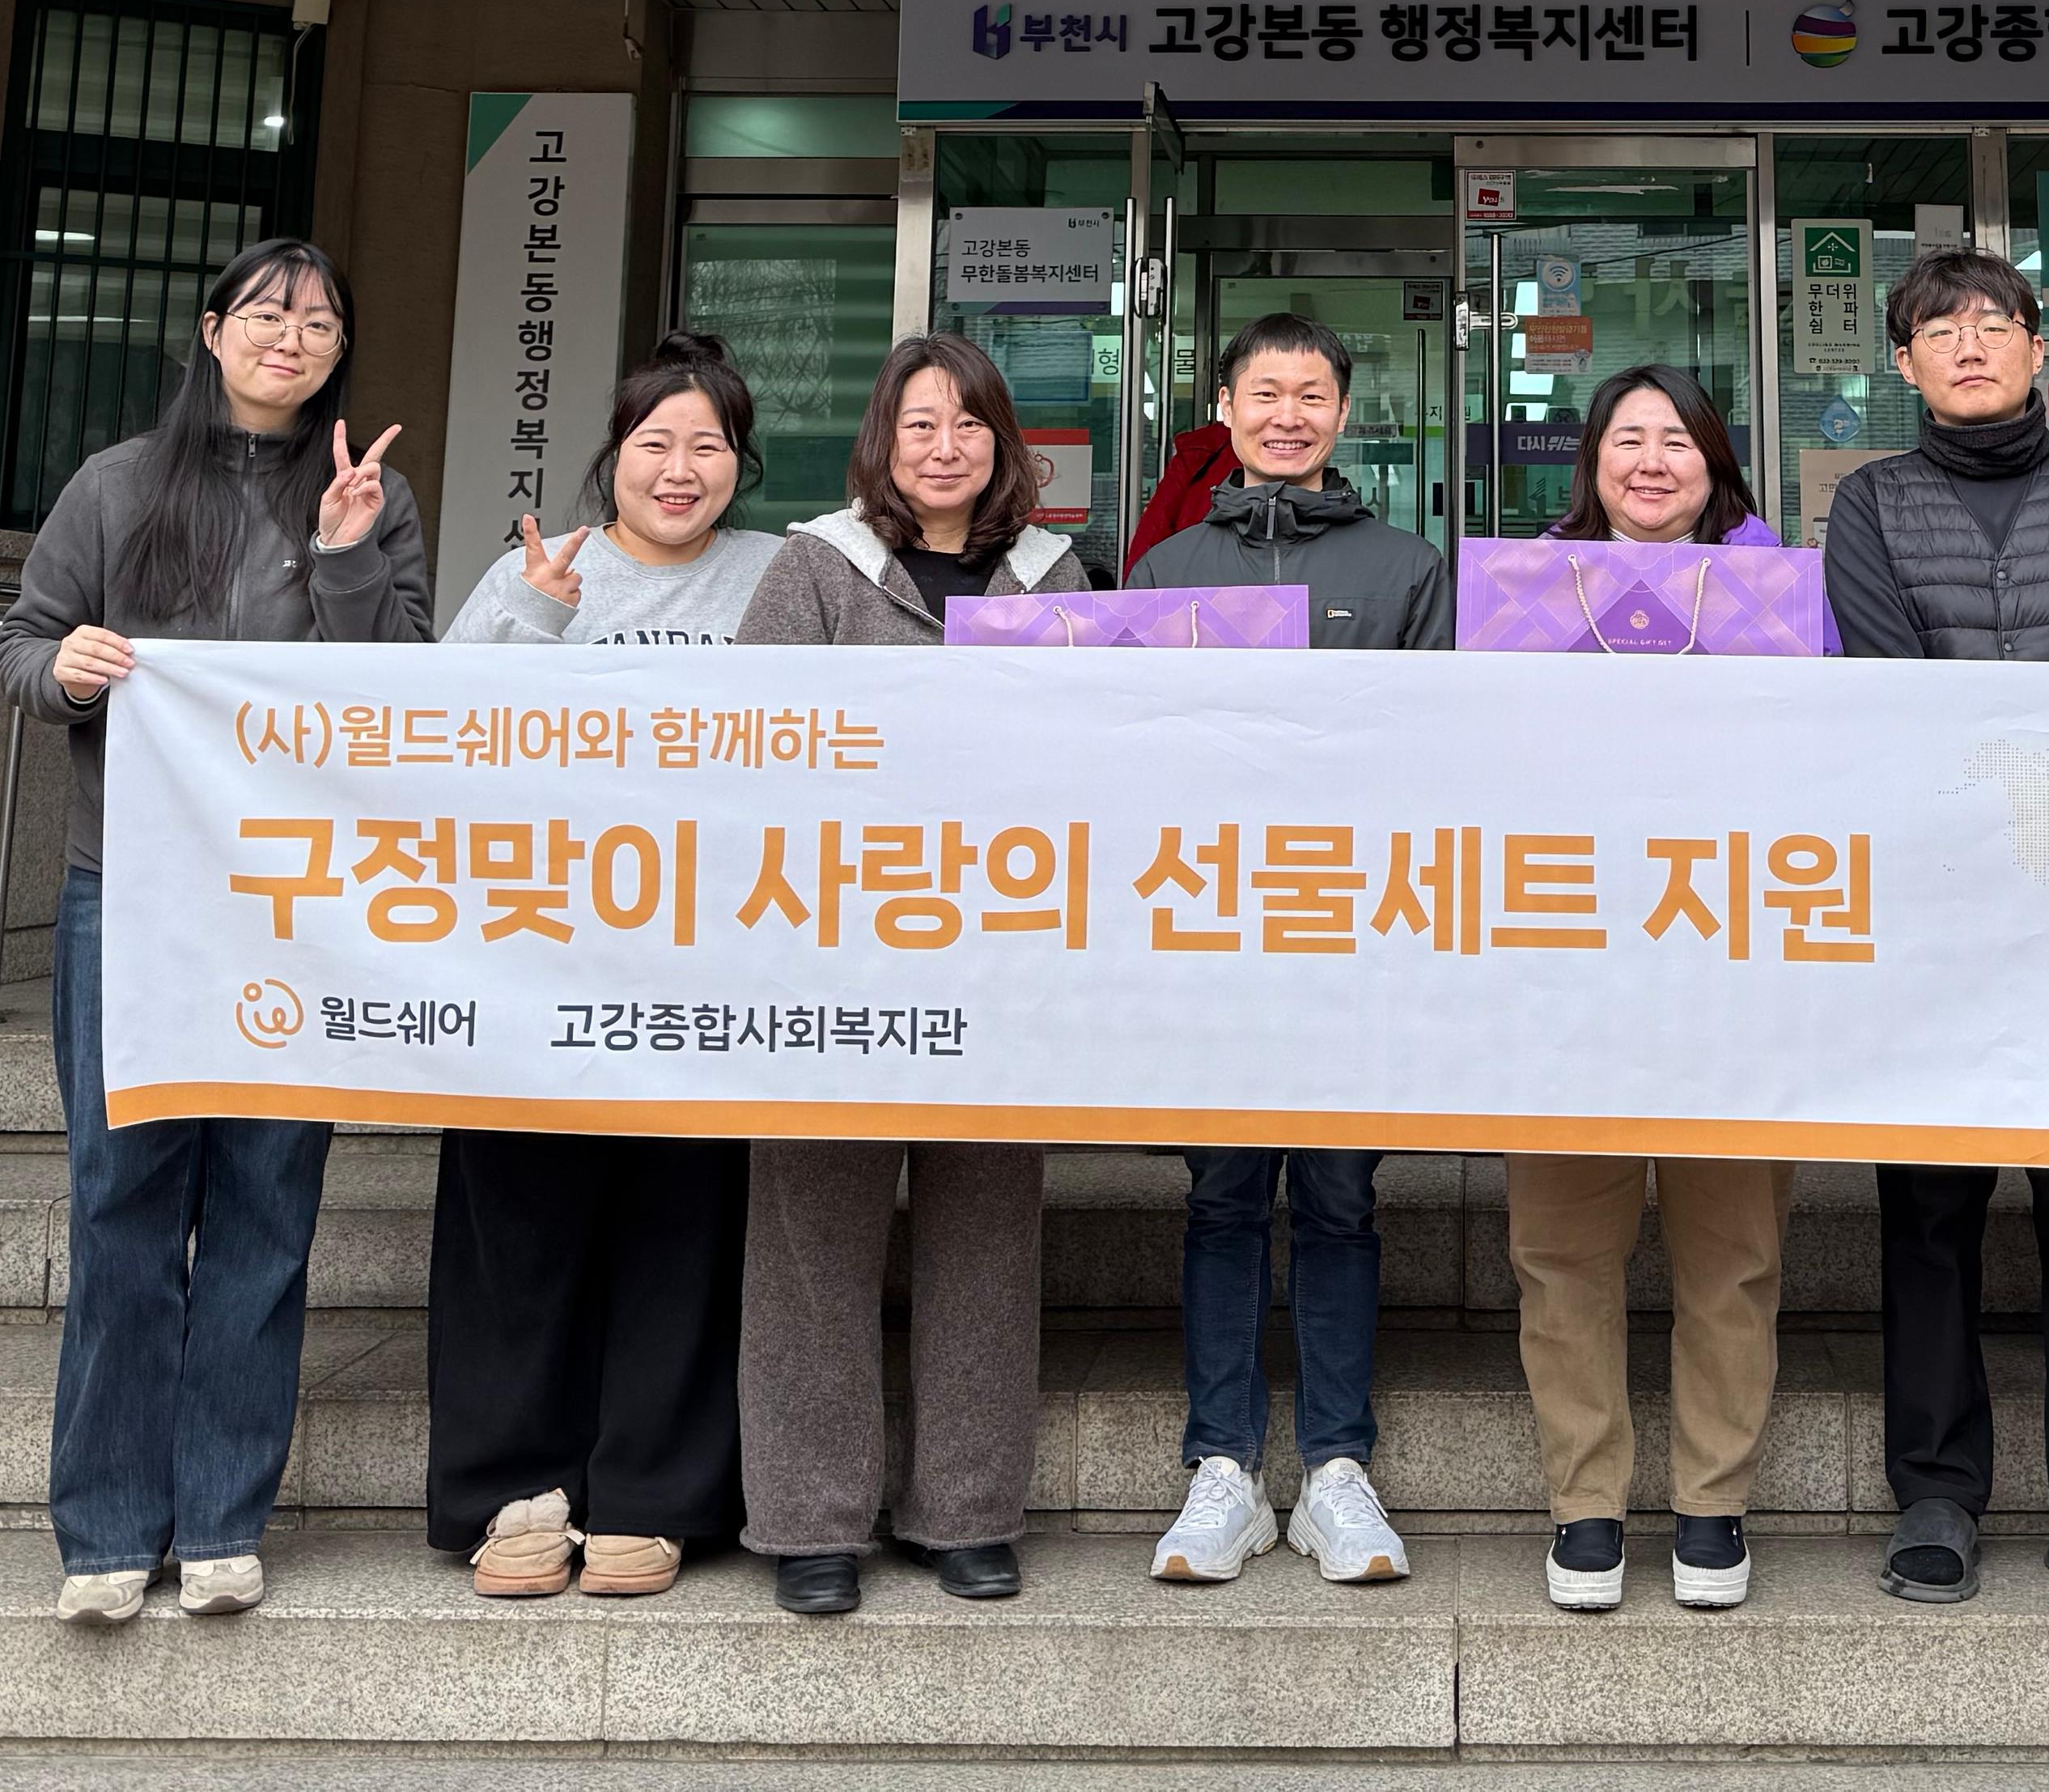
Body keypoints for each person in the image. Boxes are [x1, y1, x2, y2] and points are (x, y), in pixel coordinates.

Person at [0, 237, 426, 1628]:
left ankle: (226, 1515)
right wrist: (66, 670)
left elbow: (402, 692)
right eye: (268, 314)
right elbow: (22, 645)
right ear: (213, 329)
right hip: (129, 889)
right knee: (120, 1204)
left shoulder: (371, 498)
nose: (293, 338)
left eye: (321, 322)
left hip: (294, 902)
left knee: (266, 1208)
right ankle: (108, 1528)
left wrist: (345, 554)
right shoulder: (117, 484)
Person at [1819, 246, 2049, 1617]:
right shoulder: (1871, 504)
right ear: (1902, 363)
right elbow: (1888, 698)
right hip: (1938, 903)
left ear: (2040, 347)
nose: (1968, 345)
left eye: (1993, 322)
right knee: (1928, 1206)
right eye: (1939, 329)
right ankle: (1935, 1490)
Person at [421, 333, 783, 1600]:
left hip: (711, 966)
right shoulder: (536, 570)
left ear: (741, 463)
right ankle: (512, 1488)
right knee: (518, 1227)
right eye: (654, 444)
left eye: (708, 446)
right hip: (532, 962)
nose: (680, 470)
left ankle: (653, 1490)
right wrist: (533, 614)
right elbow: (421, 741)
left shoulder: (781, 576)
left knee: (682, 1226)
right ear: (613, 456)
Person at [726, 333, 1081, 1614]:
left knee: (986, 1227)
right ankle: (810, 1519)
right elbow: (755, 750)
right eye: (919, 424)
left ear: (1003, 444)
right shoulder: (816, 566)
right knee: (812, 1235)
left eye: (969, 424)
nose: (945, 447)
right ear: (882, 441)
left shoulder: (1054, 575)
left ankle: (967, 1511)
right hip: (832, 951)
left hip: (1001, 950)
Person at [1126, 311, 1448, 1591]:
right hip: (1210, 929)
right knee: (1220, 1195)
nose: (1288, 416)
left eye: (1312, 394)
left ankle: (1335, 1472)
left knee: (1337, 1195)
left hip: (1351, 931)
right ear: (1224, 407)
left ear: (1344, 414)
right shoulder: (1165, 567)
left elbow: (1440, 753)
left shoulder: (1407, 566)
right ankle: (1221, 1468)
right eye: (1265, 393)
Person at [1508, 362, 1796, 1615]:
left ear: (1714, 461)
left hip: (1731, 962)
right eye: (1626, 439)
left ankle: (1712, 1502)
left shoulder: (1783, 600)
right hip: (1565, 959)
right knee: (1561, 1251)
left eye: (1677, 439)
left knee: (1732, 1255)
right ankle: (1586, 1504)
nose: (1650, 461)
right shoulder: (1523, 596)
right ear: (1593, 464)